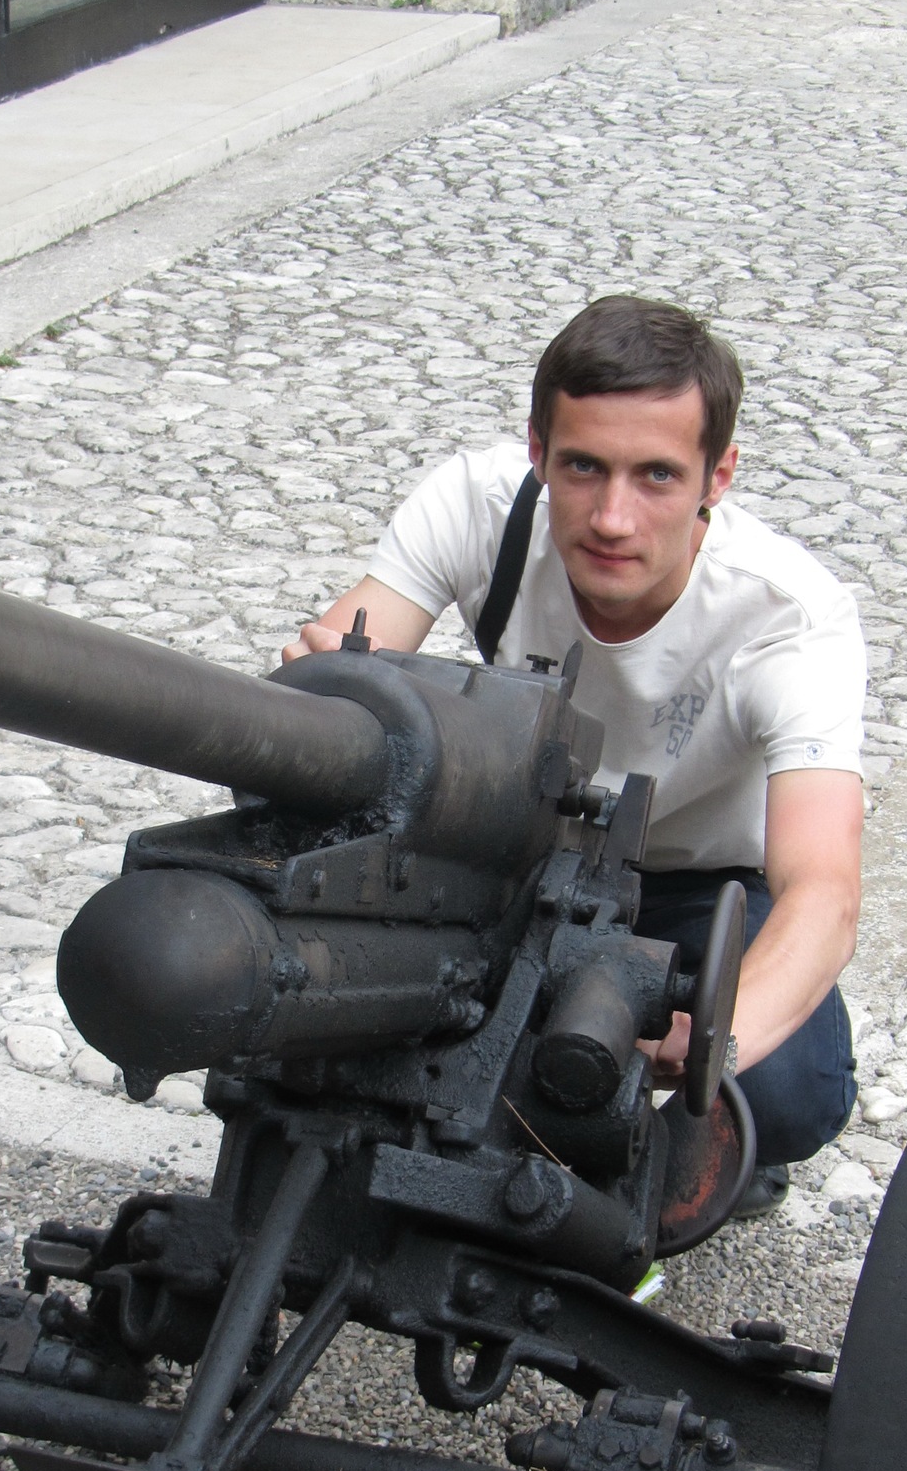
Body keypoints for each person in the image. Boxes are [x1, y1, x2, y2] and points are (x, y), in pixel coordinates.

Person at [283, 294, 864, 1214]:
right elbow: (347, 673)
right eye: (583, 467)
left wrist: (712, 1044)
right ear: (537, 450)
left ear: (718, 476)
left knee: (786, 1091)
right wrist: (319, 696)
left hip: (690, 880)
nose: (612, 518)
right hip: (513, 845)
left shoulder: (787, 618)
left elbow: (824, 890)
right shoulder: (474, 508)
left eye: (657, 476)